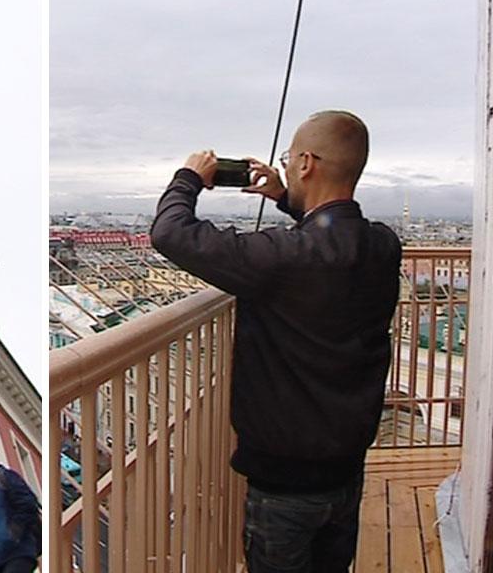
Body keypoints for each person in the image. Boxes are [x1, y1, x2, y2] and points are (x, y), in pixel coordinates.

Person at [150, 110, 401, 573]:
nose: (285, 166)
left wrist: (189, 177)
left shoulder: (282, 258)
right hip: (347, 468)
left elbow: (170, 233)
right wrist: (285, 196)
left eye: (289, 159)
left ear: (306, 163)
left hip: (283, 481)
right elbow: (334, 236)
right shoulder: (383, 246)